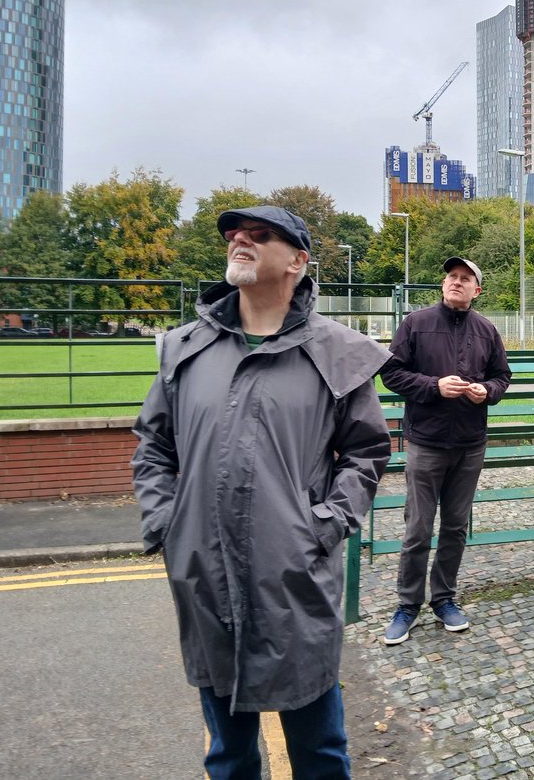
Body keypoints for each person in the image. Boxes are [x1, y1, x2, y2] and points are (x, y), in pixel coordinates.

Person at [132, 205, 392, 778]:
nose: (239, 242)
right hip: (204, 577)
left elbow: (367, 454)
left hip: (293, 578)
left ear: (298, 261)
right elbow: (154, 448)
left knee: (319, 753)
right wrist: (166, 524)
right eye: (234, 235)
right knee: (227, 756)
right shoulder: (185, 348)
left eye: (260, 235)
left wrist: (320, 527)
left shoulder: (337, 353)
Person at [380, 257, 511, 645]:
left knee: (455, 528)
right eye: (452, 277)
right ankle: (407, 605)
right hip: (426, 442)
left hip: (470, 445)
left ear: (477, 290)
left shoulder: (486, 329)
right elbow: (391, 373)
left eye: (465, 279)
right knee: (418, 529)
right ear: (443, 284)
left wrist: (488, 392)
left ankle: (443, 598)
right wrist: (433, 386)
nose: (456, 282)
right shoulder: (416, 324)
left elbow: (502, 376)